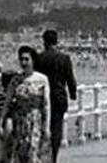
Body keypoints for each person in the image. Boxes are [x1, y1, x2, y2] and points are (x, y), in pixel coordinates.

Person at [0, 46, 53, 163]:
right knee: (19, 155)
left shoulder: (42, 79)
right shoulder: (15, 80)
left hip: (35, 122)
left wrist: (47, 126)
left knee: (33, 155)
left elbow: (46, 104)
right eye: (21, 59)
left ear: (33, 60)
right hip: (19, 122)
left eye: (27, 59)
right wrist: (1, 122)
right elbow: (7, 102)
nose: (24, 62)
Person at [33, 30, 75, 163]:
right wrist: (73, 93)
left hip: (42, 97)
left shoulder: (38, 58)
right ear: (56, 41)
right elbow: (70, 78)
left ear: (44, 41)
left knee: (42, 127)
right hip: (59, 98)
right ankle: (53, 157)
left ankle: (42, 156)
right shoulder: (64, 58)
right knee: (56, 128)